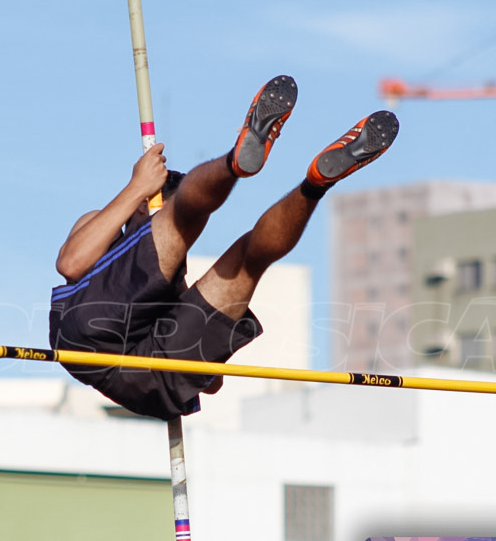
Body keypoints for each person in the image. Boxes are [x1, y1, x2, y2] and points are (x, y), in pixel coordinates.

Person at [50, 75, 398, 421]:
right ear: (142, 205)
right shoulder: (104, 228)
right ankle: (280, 176)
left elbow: (210, 380)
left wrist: (190, 310)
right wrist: (138, 186)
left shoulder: (170, 283)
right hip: (98, 342)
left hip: (156, 382)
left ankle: (313, 183)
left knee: (249, 259)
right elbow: (71, 263)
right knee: (192, 219)